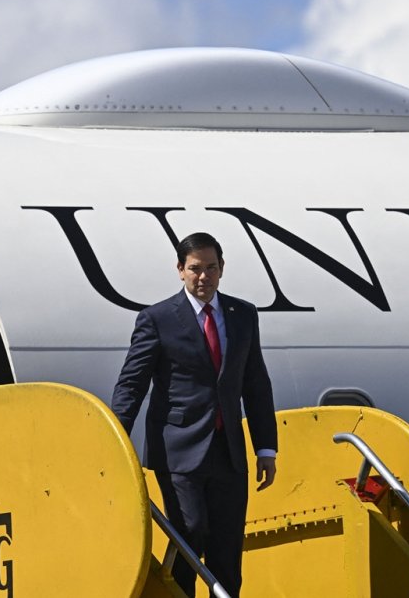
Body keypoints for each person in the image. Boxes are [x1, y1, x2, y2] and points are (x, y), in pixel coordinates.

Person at [111, 232, 277, 597]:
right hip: (179, 450)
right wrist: (114, 438)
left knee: (227, 547)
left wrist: (266, 448)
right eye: (195, 269)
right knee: (190, 531)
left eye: (211, 268)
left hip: (228, 451)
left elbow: (256, 384)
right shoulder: (157, 319)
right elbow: (132, 385)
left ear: (222, 270)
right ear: (180, 270)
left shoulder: (242, 315)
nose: (204, 277)